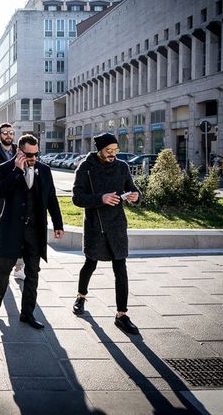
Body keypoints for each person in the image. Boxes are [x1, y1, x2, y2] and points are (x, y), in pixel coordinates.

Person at [0, 134, 64, 329]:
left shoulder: (45, 170)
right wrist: (17, 171)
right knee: (4, 267)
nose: (33, 158)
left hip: (34, 231)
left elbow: (52, 198)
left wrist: (58, 224)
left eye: (36, 154)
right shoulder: (4, 169)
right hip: (11, 229)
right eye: (29, 155)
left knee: (33, 273)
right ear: (19, 151)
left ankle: (27, 313)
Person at [71, 132, 141, 335]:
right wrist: (101, 198)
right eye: (108, 151)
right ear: (99, 150)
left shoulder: (122, 167)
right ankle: (81, 296)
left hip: (117, 226)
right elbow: (77, 198)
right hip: (96, 226)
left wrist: (135, 197)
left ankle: (121, 315)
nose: (112, 154)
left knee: (121, 269)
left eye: (115, 151)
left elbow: (133, 189)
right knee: (90, 264)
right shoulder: (86, 168)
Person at [0, 123, 24, 280]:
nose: (8, 135)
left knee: (20, 234)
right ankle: (3, 266)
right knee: (1, 234)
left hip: (19, 201)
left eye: (11, 132)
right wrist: (14, 174)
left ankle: (19, 266)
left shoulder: (20, 151)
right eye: (5, 132)